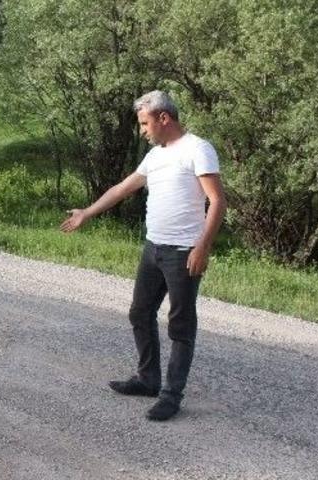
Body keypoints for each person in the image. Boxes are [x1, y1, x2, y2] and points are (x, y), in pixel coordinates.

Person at [60, 90, 227, 421]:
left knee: (180, 324)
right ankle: (148, 379)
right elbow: (122, 189)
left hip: (183, 253)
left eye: (144, 123)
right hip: (153, 248)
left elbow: (217, 201)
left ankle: (171, 394)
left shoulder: (198, 149)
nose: (142, 131)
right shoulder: (155, 156)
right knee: (140, 313)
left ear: (163, 118)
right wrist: (87, 213)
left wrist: (202, 247)